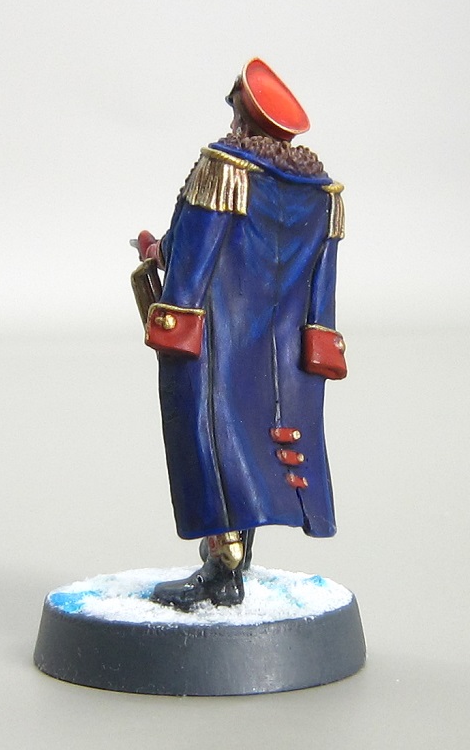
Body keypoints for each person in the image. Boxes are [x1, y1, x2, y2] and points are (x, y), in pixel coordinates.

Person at [135, 58, 347, 611]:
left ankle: (222, 568)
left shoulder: (222, 168)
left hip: (218, 339)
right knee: (254, 449)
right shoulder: (322, 192)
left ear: (243, 117)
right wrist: (321, 337)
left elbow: (195, 253)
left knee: (210, 445)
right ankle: (232, 564)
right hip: (284, 345)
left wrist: (163, 273)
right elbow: (323, 278)